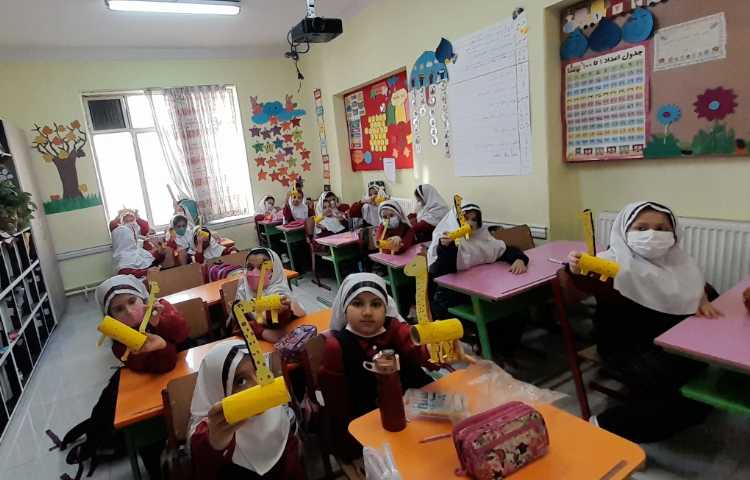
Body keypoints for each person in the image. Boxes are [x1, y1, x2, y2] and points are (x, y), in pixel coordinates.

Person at [567, 201, 720, 443]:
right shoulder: (613, 262)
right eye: (641, 228)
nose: (652, 235)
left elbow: (699, 286)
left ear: (674, 233)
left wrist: (703, 297)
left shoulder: (679, 262)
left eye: (661, 228)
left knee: (702, 383)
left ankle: (676, 409)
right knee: (680, 395)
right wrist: (576, 266)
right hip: (627, 347)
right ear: (625, 231)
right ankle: (604, 425)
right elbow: (584, 278)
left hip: (671, 342)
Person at [316, 273, 437, 461]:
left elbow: (418, 349)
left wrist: (435, 349)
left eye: (376, 304)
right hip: (370, 424)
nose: (367, 312)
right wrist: (350, 449)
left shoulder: (394, 328)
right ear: (345, 308)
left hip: (413, 413)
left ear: (386, 308)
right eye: (357, 304)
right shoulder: (336, 347)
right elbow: (337, 405)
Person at [189, 340, 304, 480]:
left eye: (259, 370)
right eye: (241, 381)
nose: (258, 384)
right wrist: (216, 446)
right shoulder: (208, 435)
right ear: (218, 392)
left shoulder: (280, 414)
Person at [427, 201, 529, 319]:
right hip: (454, 295)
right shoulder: (447, 240)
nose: (470, 223)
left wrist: (519, 259)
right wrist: (446, 247)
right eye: (465, 219)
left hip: (481, 288)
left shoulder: (482, 237)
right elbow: (444, 267)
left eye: (474, 220)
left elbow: (505, 250)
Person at [95, 275, 189, 373]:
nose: (129, 311)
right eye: (119, 309)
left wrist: (160, 323)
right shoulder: (121, 342)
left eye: (132, 301)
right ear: (112, 317)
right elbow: (157, 367)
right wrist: (162, 346)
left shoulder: (160, 308)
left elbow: (183, 334)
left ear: (142, 298)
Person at [231, 248, 305, 343]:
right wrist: (262, 331)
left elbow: (290, 319)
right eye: (250, 268)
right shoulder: (243, 291)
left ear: (274, 271)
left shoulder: (281, 292)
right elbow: (238, 325)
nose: (254, 273)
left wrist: (279, 311)